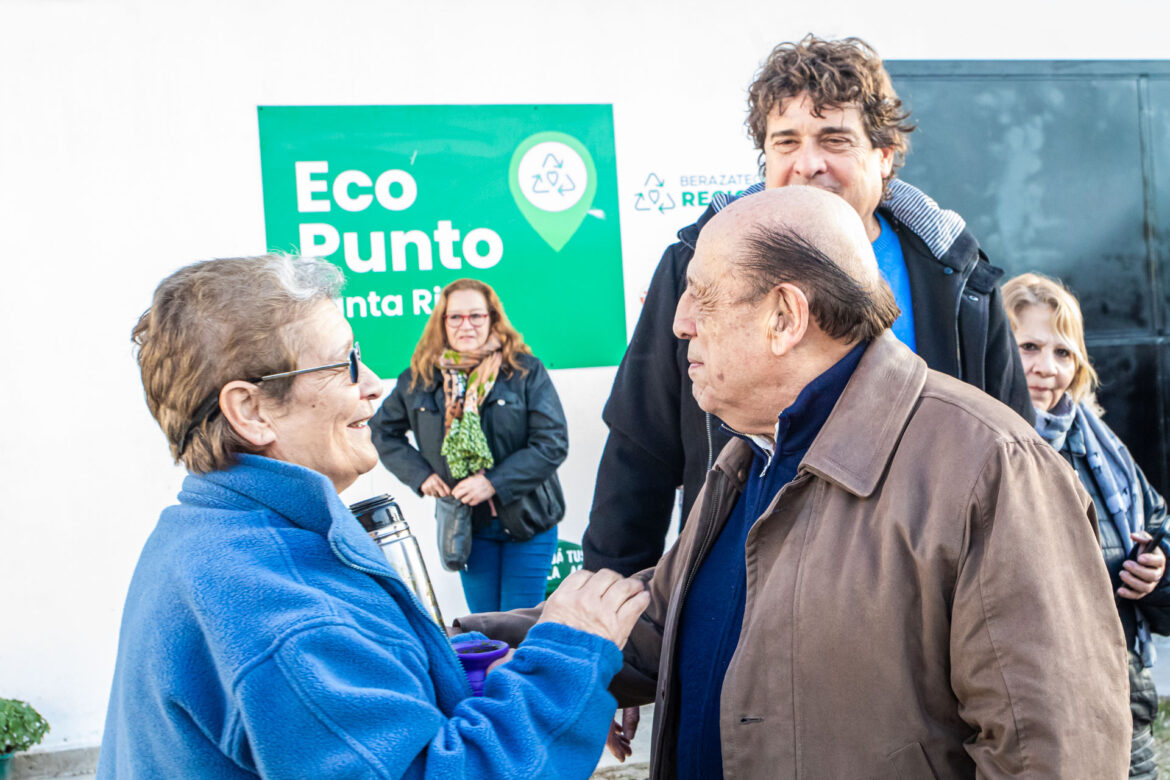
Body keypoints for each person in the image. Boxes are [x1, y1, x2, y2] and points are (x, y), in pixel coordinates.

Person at [459, 187, 1130, 778]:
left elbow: (1055, 749)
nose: (678, 320)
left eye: (703, 294)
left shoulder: (993, 467)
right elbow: (658, 622)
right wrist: (448, 643)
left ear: (784, 317)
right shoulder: (751, 453)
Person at [98, 254, 649, 779]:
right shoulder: (286, 610)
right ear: (252, 409)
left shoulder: (213, 533)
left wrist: (463, 677)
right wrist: (568, 658)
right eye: (345, 364)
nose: (372, 384)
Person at [584, 34, 1033, 577]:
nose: (808, 163)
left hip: (915, 591)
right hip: (742, 589)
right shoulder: (692, 266)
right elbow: (639, 453)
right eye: (786, 141)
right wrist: (611, 605)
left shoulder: (954, 279)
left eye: (834, 139)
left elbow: (1015, 455)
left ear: (884, 156)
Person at [1003, 271, 1170, 779]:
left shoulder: (1101, 449)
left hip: (1120, 705)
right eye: (1029, 346)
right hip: (1023, 716)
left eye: (1063, 353)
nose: (1046, 369)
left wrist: (1158, 572)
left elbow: (1157, 523)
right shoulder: (975, 443)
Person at [370, 278, 568, 613]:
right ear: (442, 323)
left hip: (528, 519)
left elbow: (552, 443)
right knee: (485, 625)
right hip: (467, 527)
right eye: (456, 317)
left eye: (476, 316)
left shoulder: (523, 371)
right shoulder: (419, 378)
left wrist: (492, 483)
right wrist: (420, 475)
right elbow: (381, 431)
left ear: (492, 318)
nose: (466, 325)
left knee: (519, 624)